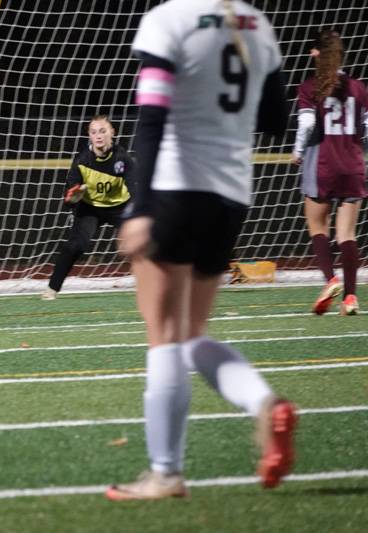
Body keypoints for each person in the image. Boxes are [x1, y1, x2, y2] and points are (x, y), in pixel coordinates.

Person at [106, 0, 296, 500]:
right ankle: (264, 405)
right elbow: (276, 118)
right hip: (230, 195)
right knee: (191, 334)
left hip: (173, 188)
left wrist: (140, 208)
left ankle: (165, 473)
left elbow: (150, 122)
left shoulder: (169, 18)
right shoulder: (257, 23)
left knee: (164, 334)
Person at [291, 29, 367, 316]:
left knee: (317, 226)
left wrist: (298, 152)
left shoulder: (311, 87)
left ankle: (330, 280)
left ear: (316, 53)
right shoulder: (359, 88)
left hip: (322, 164)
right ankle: (350, 298)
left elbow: (308, 125)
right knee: (347, 233)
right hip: (352, 164)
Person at [41, 115, 135, 300]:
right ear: (89, 136)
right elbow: (68, 198)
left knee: (143, 241)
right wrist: (74, 198)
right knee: (76, 245)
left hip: (119, 206)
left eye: (102, 131)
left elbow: (135, 189)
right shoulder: (82, 161)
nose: (98, 136)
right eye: (94, 132)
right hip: (90, 207)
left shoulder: (122, 158)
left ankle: (160, 283)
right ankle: (52, 289)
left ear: (112, 133)